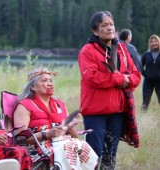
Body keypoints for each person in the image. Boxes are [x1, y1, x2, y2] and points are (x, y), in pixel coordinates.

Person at [78, 11, 141, 169]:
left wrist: (127, 79)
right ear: (95, 31)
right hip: (95, 113)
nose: (109, 28)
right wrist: (119, 79)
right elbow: (91, 77)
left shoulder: (122, 50)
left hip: (117, 112)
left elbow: (136, 75)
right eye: (104, 25)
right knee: (94, 153)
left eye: (111, 24)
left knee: (110, 154)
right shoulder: (88, 50)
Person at [13, 68, 98, 170]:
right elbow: (20, 139)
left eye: (51, 80)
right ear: (32, 86)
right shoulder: (25, 105)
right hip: (38, 148)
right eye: (44, 81)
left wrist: (69, 128)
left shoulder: (60, 104)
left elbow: (74, 138)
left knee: (82, 145)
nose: (50, 84)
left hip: (65, 143)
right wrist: (47, 134)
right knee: (67, 148)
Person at [141, 34, 160, 113]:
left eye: (155, 41)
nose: (154, 43)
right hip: (148, 81)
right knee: (145, 102)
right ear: (150, 44)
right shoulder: (146, 54)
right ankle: (143, 119)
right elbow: (140, 66)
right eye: (152, 42)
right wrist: (145, 74)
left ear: (158, 42)